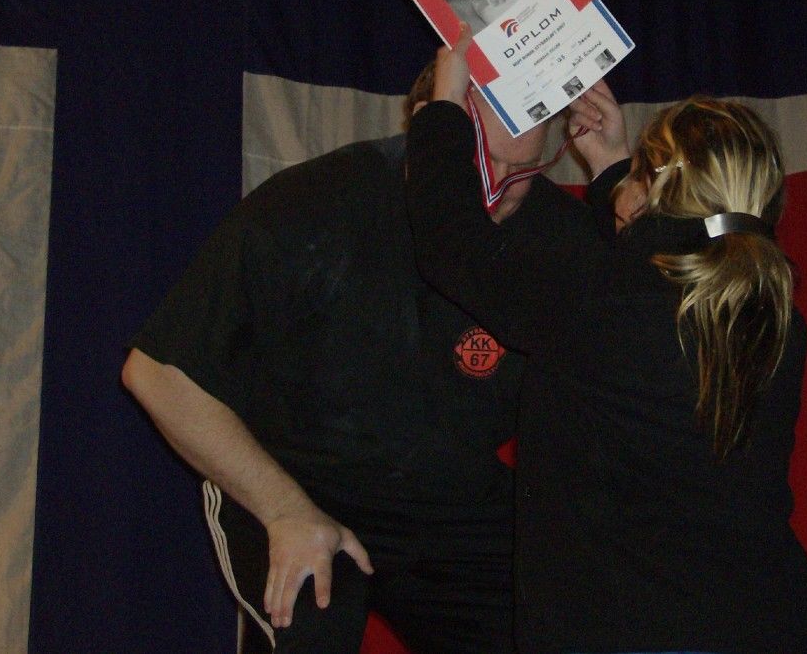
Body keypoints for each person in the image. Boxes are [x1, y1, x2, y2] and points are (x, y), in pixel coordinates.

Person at [121, 63, 567, 654]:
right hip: (298, 483)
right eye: (483, 162)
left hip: (447, 497)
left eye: (523, 171)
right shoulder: (314, 203)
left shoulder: (553, 236)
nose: (498, 191)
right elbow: (157, 372)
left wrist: (615, 171)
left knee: (567, 612)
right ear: (428, 128)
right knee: (313, 616)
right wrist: (285, 512)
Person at [404, 29, 807, 653]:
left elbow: (451, 244)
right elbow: (665, 266)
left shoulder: (604, 303)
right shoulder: (775, 315)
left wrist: (443, 113)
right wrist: (613, 172)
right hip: (764, 623)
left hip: (631, 631)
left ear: (659, 190)